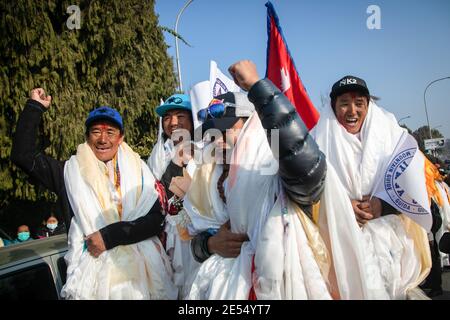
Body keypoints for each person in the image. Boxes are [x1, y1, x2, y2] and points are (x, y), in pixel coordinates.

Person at [11, 88, 177, 299]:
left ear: (121, 138)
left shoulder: (141, 172)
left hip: (145, 282)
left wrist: (109, 237)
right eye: (96, 131)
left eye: (110, 132)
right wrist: (34, 108)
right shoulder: (68, 174)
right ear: (87, 137)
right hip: (91, 284)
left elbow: (155, 221)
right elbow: (22, 155)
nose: (103, 139)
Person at [185, 60, 330, 299]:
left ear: (251, 124)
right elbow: (192, 239)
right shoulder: (209, 178)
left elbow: (306, 170)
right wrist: (210, 244)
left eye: (226, 130)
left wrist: (258, 88)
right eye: (212, 135)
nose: (218, 141)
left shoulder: (272, 165)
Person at [311, 75, 431, 299]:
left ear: (368, 104)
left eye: (359, 104)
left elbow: (413, 183)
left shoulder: (393, 136)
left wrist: (382, 205)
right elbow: (307, 195)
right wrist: (343, 206)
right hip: (342, 242)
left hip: (391, 243)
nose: (352, 111)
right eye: (344, 103)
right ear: (333, 107)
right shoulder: (316, 141)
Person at [147, 93, 200, 298]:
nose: (173, 122)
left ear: (192, 118)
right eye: (167, 117)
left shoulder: (206, 148)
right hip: (171, 233)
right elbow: (158, 195)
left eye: (180, 116)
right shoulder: (157, 154)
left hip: (201, 232)